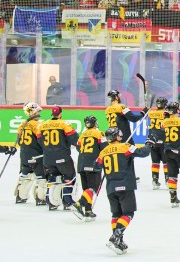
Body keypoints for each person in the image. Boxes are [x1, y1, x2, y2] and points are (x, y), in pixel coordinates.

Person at [98, 127, 153, 255]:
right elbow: (143, 152)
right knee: (128, 213)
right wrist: (149, 144)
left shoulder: (103, 152)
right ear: (117, 136)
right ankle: (116, 236)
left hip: (111, 188)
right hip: (125, 185)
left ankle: (118, 240)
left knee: (116, 215)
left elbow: (97, 166)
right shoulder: (125, 147)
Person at [36, 106, 79, 211]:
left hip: (47, 159)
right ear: (60, 114)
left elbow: (39, 140)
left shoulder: (42, 125)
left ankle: (50, 201)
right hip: (62, 157)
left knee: (52, 177)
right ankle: (68, 201)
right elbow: (75, 139)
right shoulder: (64, 124)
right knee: (69, 176)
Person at [71, 116, 107, 221]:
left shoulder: (82, 135)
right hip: (93, 164)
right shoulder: (99, 133)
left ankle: (88, 210)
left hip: (81, 164)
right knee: (93, 188)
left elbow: (78, 148)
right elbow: (104, 147)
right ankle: (78, 205)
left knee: (87, 189)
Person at [14, 102, 47, 205]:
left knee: (26, 175)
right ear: (33, 112)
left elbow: (19, 141)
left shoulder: (21, 125)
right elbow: (41, 140)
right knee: (41, 177)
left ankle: (20, 196)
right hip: (36, 156)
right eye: (38, 111)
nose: (39, 113)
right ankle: (40, 198)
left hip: (24, 156)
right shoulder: (37, 125)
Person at [146, 97, 169, 190]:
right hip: (163, 140)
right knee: (166, 162)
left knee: (155, 162)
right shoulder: (166, 114)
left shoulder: (151, 113)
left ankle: (154, 179)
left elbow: (149, 114)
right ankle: (168, 180)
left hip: (153, 140)